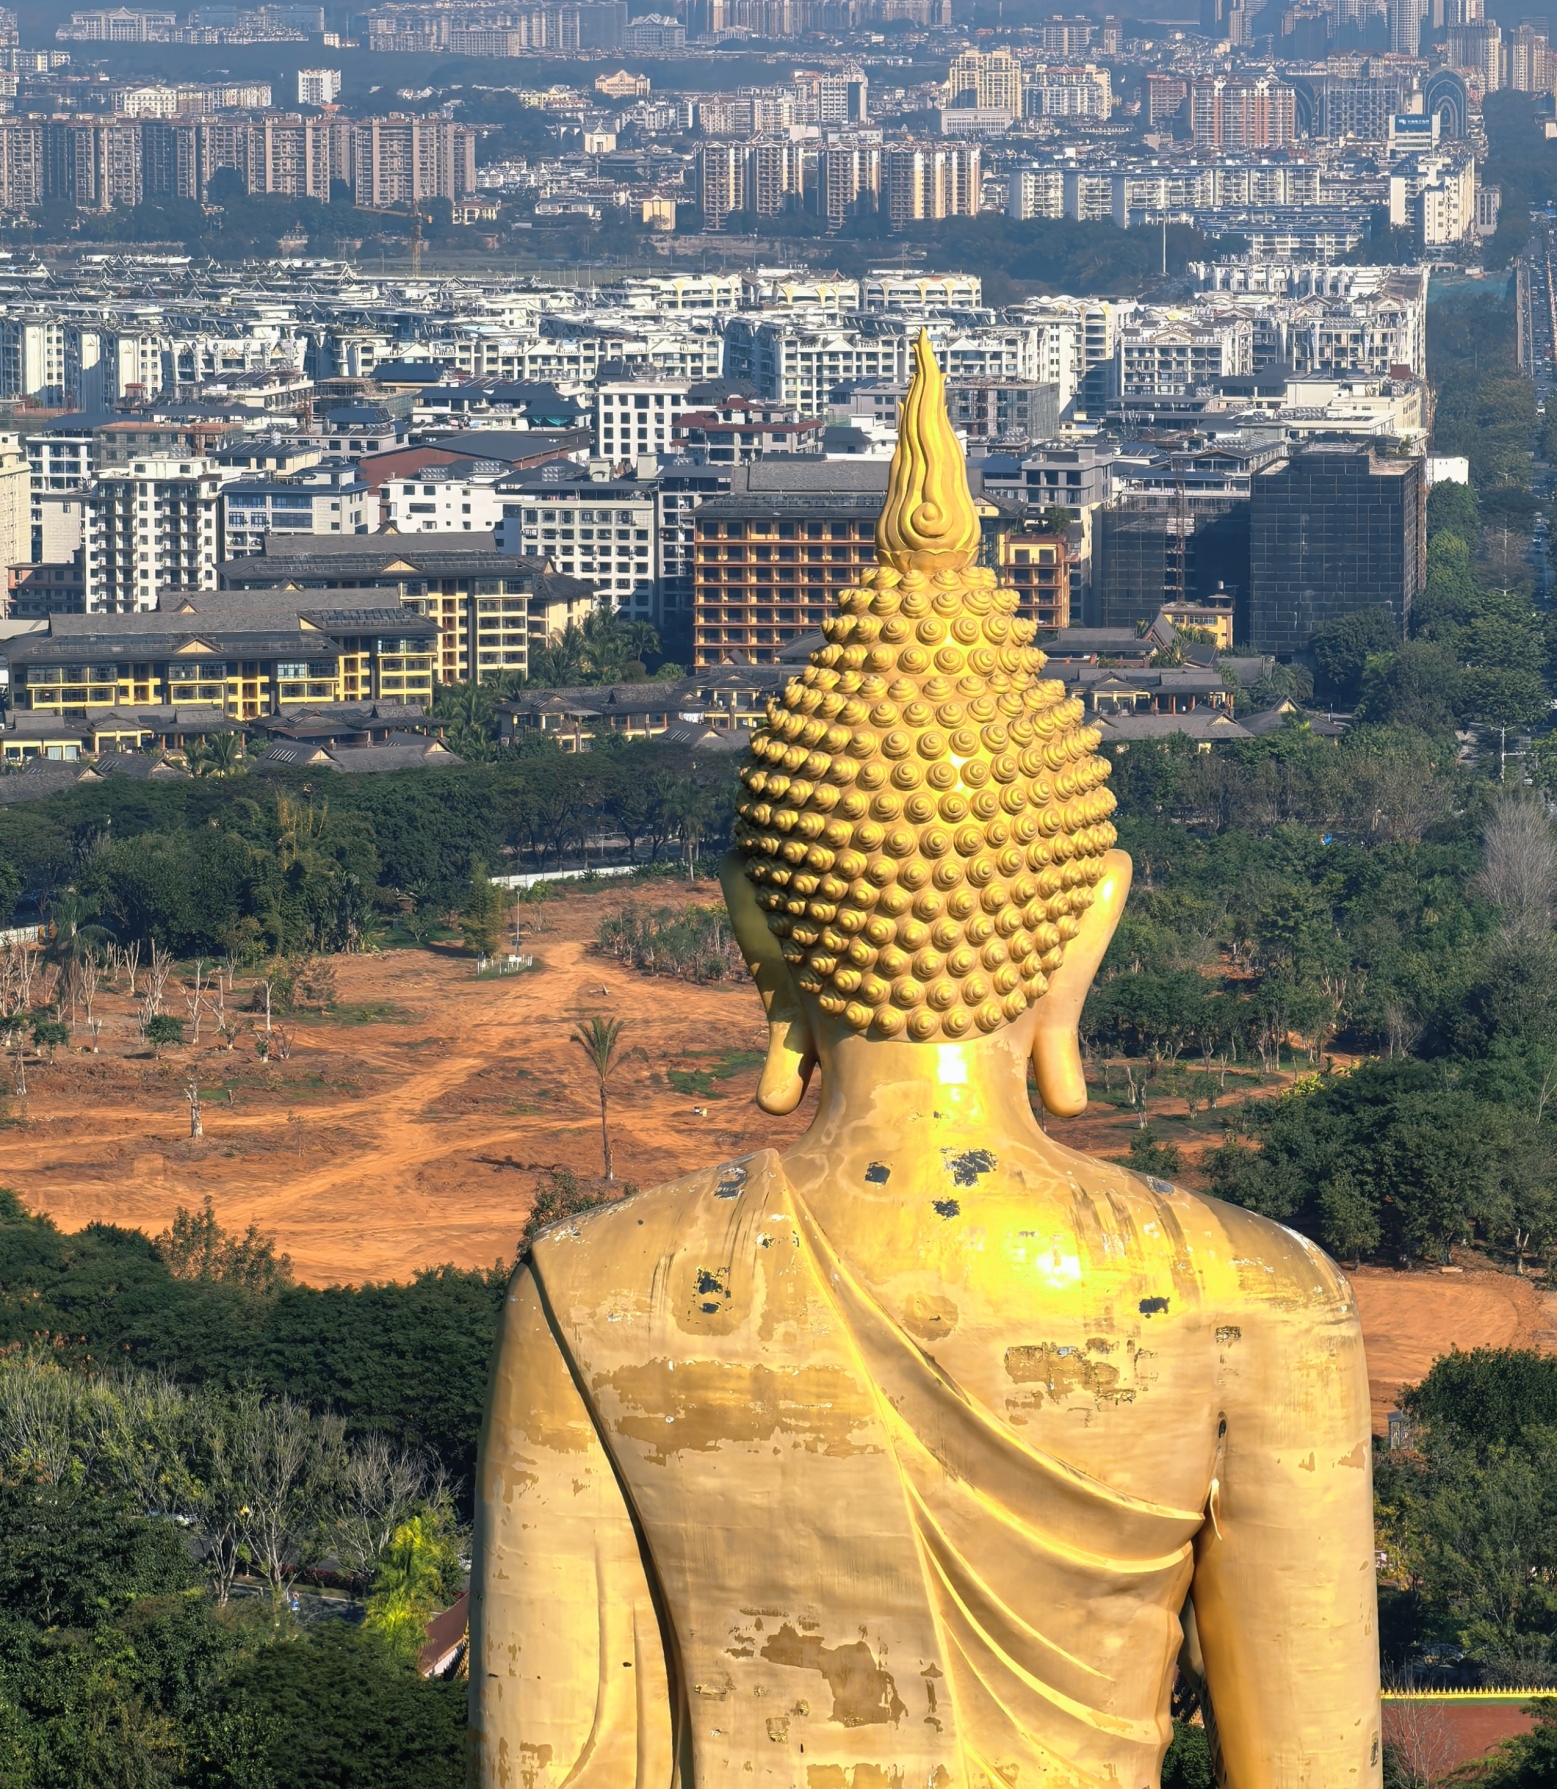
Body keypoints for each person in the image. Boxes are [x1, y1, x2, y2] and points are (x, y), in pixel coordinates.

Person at [472, 334, 1380, 1788]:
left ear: (756, 930)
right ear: (1089, 930)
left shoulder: (595, 1295)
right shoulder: (1252, 1305)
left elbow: (555, 1763)